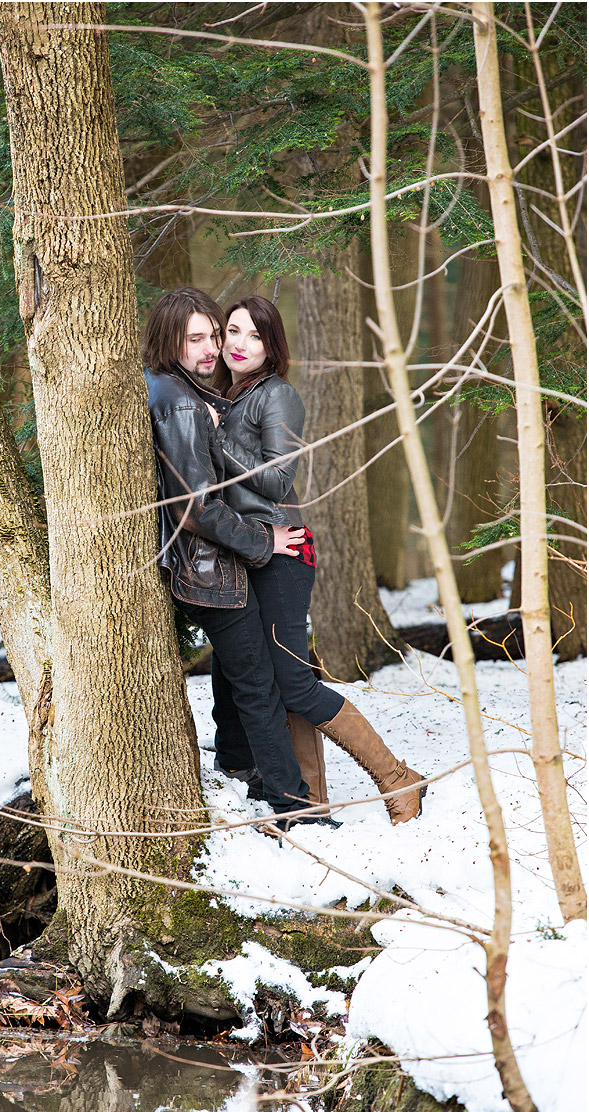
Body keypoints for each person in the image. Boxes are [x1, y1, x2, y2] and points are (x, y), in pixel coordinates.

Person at [212, 295, 426, 825]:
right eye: (232, 331)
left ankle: (397, 778)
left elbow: (278, 479)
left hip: (283, 552)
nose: (239, 344)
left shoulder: (277, 395)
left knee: (291, 679)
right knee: (274, 675)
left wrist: (216, 438)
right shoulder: (227, 397)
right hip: (249, 551)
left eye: (254, 336)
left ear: (271, 346)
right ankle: (309, 795)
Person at [142, 287, 333, 830]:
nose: (214, 348)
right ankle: (291, 804)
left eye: (213, 336)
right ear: (170, 340)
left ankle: (245, 770)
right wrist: (260, 542)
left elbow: (272, 478)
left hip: (231, 559)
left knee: (257, 678)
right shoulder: (182, 399)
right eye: (198, 338)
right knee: (257, 683)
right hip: (213, 564)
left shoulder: (193, 394)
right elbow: (199, 505)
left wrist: (219, 424)